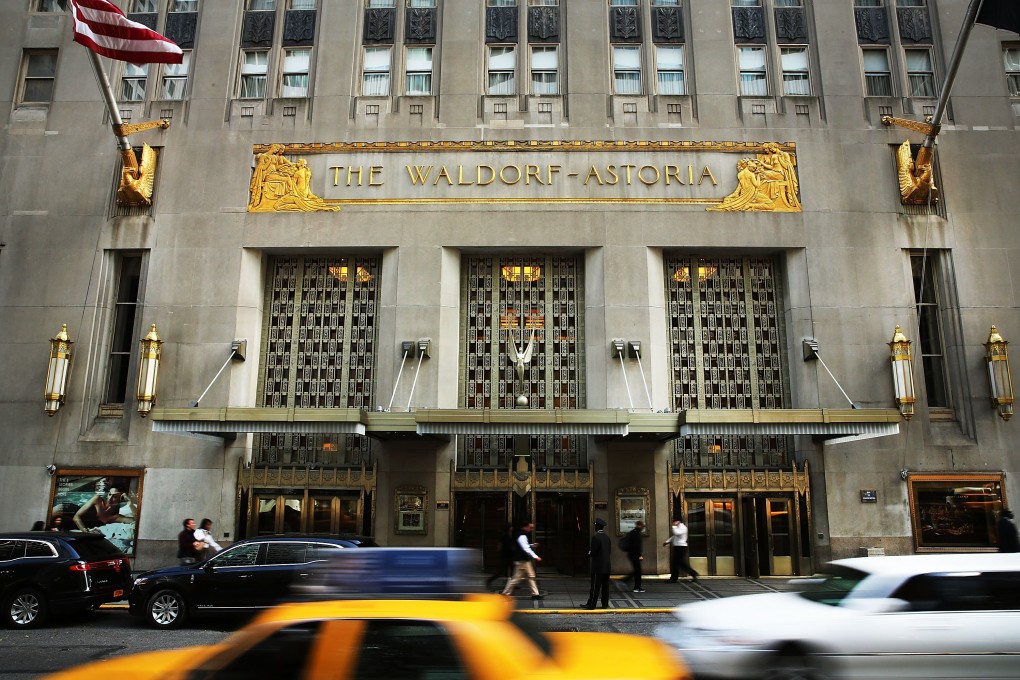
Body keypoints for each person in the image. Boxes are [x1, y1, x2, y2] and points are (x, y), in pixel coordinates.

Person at [72, 477, 136, 532]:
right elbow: (76, 517)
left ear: (121, 499)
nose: (110, 498)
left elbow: (136, 521)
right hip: (71, 511)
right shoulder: (97, 500)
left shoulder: (116, 517)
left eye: (115, 497)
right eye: (110, 494)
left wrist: (129, 503)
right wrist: (84, 530)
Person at [501, 521, 544, 599]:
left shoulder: (520, 534)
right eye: (530, 527)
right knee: (519, 578)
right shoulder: (522, 535)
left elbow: (524, 545)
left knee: (528, 576)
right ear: (525, 527)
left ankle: (535, 594)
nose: (531, 529)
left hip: (522, 560)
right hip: (522, 561)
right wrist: (535, 556)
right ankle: (505, 593)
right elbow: (525, 548)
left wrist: (532, 545)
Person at [582, 517, 612, 609]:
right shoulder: (607, 537)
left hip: (598, 567)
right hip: (607, 566)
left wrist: (589, 552)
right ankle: (605, 604)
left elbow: (593, 552)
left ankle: (592, 604)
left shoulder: (595, 537)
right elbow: (609, 551)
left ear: (596, 526)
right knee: (605, 587)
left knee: (595, 587)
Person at [485, 523, 515, 592]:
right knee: (501, 572)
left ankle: (513, 584)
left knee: (513, 570)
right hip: (506, 556)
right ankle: (489, 580)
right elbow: (500, 546)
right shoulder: (505, 536)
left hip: (507, 556)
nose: (512, 528)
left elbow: (499, 546)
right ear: (509, 528)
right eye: (511, 527)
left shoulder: (508, 536)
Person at [621, 520, 645, 592]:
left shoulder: (632, 532)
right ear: (639, 525)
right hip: (635, 554)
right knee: (638, 571)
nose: (643, 527)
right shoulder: (636, 534)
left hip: (631, 554)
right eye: (642, 526)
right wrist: (640, 555)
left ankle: (633, 585)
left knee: (636, 570)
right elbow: (637, 546)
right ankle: (636, 587)